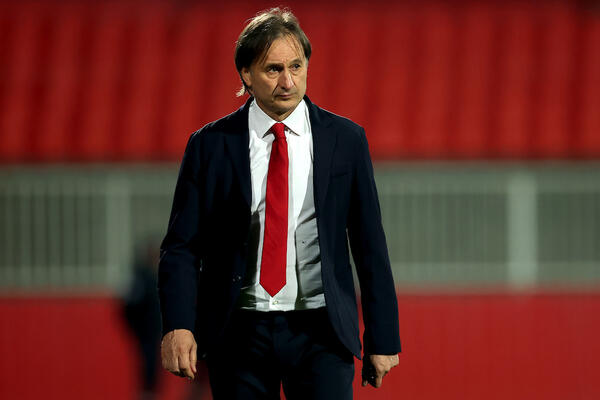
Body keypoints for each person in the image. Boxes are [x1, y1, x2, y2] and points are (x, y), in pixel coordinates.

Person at [158, 7, 400, 399]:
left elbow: (370, 244)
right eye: (273, 69)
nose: (288, 81)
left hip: (322, 331)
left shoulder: (346, 140)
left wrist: (383, 335)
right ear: (246, 75)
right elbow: (181, 247)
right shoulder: (210, 145)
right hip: (238, 332)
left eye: (296, 66)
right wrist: (178, 325)